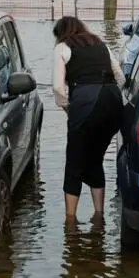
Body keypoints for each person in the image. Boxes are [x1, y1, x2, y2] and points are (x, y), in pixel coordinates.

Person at [51, 16, 125, 220]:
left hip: (85, 102)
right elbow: (121, 78)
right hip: (113, 103)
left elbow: (58, 87)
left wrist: (69, 108)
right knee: (94, 160)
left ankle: (70, 221)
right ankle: (99, 216)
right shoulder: (100, 43)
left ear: (60, 34)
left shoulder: (62, 48)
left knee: (74, 162)